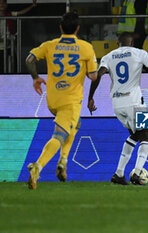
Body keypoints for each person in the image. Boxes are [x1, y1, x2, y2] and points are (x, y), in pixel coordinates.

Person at [88, 32, 148, 185]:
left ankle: (119, 174)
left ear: (118, 44)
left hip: (117, 104)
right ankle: (137, 173)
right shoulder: (139, 53)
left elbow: (98, 75)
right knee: (145, 136)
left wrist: (90, 97)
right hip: (136, 101)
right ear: (132, 43)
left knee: (135, 136)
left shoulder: (108, 56)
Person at [25, 12, 98, 190]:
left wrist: (35, 78)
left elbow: (29, 60)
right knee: (59, 135)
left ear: (60, 28)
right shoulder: (86, 47)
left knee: (76, 124)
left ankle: (63, 161)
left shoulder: (50, 45)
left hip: (52, 99)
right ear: (78, 28)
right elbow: (93, 76)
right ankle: (38, 166)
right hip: (71, 100)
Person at [0, 0, 37, 73]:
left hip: (10, 46)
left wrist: (32, 6)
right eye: (0, 3)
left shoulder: (9, 14)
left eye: (3, 3)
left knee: (14, 66)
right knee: (0, 68)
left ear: (6, 5)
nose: (2, 5)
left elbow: (21, 12)